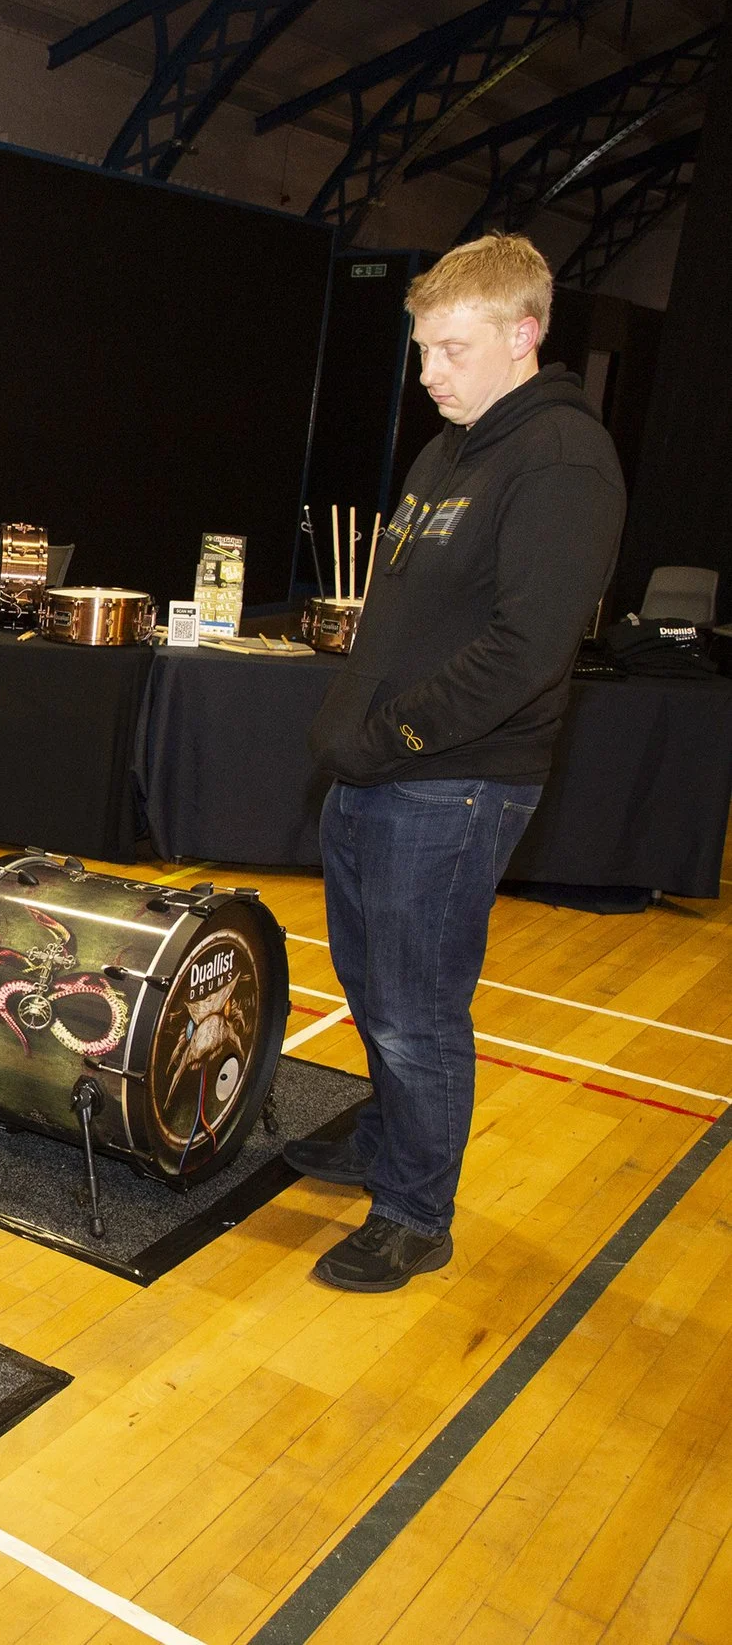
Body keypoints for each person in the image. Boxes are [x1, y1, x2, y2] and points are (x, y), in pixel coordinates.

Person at [290, 233, 624, 1293]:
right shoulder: (449, 449)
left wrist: (390, 735)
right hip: (380, 773)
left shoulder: (562, 458)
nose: (427, 372)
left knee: (414, 1001)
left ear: (522, 335)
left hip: (454, 778)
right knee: (368, 980)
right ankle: (388, 1138)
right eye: (422, 348)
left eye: (450, 347)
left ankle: (413, 1209)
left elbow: (526, 649)